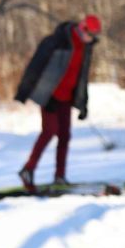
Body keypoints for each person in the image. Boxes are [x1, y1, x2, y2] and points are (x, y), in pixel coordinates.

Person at [14, 14, 102, 191]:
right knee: (49, 131)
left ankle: (60, 176)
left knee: (65, 136)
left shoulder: (86, 48)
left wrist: (83, 104)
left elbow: (82, 77)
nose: (91, 39)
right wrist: (24, 91)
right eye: (90, 35)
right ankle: (28, 170)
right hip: (49, 95)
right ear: (83, 28)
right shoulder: (57, 41)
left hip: (67, 97)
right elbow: (36, 65)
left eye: (94, 36)